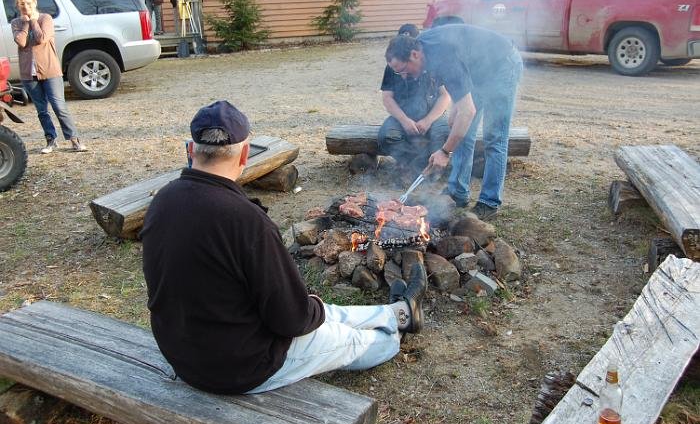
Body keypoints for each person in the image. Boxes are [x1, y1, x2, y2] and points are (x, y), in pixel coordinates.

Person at [140, 100, 427, 395]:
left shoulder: (163, 200)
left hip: (182, 349)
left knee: (324, 312)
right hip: (239, 364)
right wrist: (311, 308)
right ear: (244, 156)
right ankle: (395, 333)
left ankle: (397, 312)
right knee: (359, 340)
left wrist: (314, 308)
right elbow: (291, 318)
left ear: (191, 151)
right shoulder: (246, 221)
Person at [385, 24, 523, 219]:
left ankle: (489, 202)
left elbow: (468, 110)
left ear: (415, 55)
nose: (404, 77)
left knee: (494, 137)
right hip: (475, 71)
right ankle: (458, 192)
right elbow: (459, 83)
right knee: (462, 133)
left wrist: (444, 151)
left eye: (403, 70)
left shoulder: (442, 57)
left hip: (501, 65)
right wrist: (455, 110)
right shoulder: (425, 52)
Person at [11, 0, 86, 154]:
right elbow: (22, 42)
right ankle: (51, 139)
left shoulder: (46, 18)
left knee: (59, 106)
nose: (25, 7)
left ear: (35, 2)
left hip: (50, 71)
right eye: (21, 4)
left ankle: (74, 139)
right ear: (17, 5)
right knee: (42, 110)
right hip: (28, 74)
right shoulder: (16, 23)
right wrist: (25, 23)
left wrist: (33, 21)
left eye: (28, 3)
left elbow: (41, 38)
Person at [378, 23, 451, 178]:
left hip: (433, 115)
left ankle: (430, 170)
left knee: (443, 134)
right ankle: (413, 166)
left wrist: (428, 120)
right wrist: (404, 120)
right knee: (386, 137)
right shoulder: (392, 66)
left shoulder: (432, 64)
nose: (402, 75)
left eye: (402, 69)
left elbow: (445, 96)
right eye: (397, 72)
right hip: (402, 116)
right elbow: (387, 98)